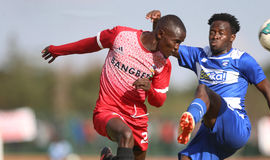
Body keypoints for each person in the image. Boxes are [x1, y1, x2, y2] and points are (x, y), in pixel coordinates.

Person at [146, 10, 270, 160]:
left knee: (203, 89)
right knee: (186, 157)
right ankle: (190, 122)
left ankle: (190, 119)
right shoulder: (200, 56)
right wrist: (157, 26)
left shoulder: (242, 60)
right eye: (212, 32)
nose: (215, 36)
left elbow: (269, 92)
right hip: (210, 131)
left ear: (232, 37)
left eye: (220, 32)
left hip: (235, 127)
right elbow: (165, 45)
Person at [41, 14, 186, 160]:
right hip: (107, 110)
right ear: (161, 34)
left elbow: (158, 102)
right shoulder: (121, 36)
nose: (177, 48)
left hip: (137, 119)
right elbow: (90, 44)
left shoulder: (164, 64)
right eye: (176, 41)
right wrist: (58, 50)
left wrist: (150, 89)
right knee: (126, 134)